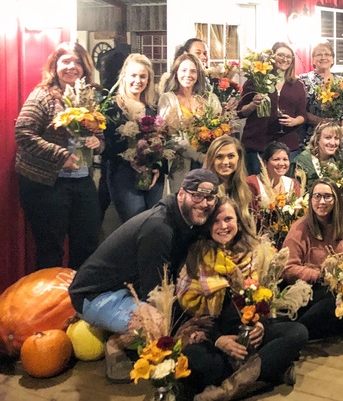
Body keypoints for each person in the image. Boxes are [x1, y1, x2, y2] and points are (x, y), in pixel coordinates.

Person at [177, 198, 308, 399]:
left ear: (238, 223)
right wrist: (219, 340)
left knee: (297, 332)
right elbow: (190, 315)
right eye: (215, 221)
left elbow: (263, 300)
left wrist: (261, 326)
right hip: (216, 340)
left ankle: (229, 390)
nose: (223, 226)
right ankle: (268, 375)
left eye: (228, 219)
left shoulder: (252, 254)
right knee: (196, 362)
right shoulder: (198, 256)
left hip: (251, 335)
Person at [69, 169, 219, 335]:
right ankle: (116, 350)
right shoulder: (159, 229)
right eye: (197, 196)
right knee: (157, 325)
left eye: (210, 198)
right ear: (182, 194)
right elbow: (154, 293)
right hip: (96, 296)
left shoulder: (186, 222)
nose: (204, 204)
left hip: (129, 289)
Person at [15, 42, 104, 270]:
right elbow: (23, 134)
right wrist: (60, 156)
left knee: (87, 244)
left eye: (77, 62)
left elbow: (99, 136)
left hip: (82, 181)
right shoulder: (43, 95)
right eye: (65, 61)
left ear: (84, 67)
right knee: (50, 250)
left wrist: (98, 143)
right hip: (47, 184)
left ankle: (76, 300)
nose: (71, 67)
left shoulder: (89, 97)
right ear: (55, 66)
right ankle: (49, 302)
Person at [282, 179, 343, 339]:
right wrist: (318, 275)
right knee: (332, 299)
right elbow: (288, 268)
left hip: (342, 284)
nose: (321, 201)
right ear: (310, 200)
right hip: (311, 289)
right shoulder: (300, 228)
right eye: (317, 196)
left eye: (327, 196)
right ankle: (298, 333)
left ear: (336, 199)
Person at [101, 53, 165, 223]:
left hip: (153, 177)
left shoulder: (152, 107)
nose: (138, 80)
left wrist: (157, 165)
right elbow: (106, 146)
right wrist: (132, 159)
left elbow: (162, 142)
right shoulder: (112, 106)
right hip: (123, 174)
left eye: (143, 76)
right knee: (135, 225)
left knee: (154, 224)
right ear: (124, 77)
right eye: (133, 75)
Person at [238, 42, 307, 175]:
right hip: (257, 145)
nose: (284, 59)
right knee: (256, 189)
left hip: (287, 147)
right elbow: (240, 112)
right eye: (280, 55)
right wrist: (253, 105)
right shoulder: (255, 81)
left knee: (284, 189)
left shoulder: (297, 85)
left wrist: (294, 121)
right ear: (271, 58)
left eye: (288, 56)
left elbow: (302, 115)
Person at [159, 53, 222, 193]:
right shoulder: (168, 99)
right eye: (183, 70)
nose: (188, 75)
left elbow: (221, 128)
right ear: (176, 73)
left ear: (199, 74)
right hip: (182, 164)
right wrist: (198, 156)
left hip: (208, 164)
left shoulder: (209, 99)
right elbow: (169, 139)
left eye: (193, 71)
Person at [299, 42, 343, 145]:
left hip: (336, 137)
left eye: (327, 54)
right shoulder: (303, 80)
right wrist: (321, 121)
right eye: (319, 55)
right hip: (312, 136)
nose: (323, 57)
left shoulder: (341, 82)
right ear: (313, 59)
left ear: (332, 59)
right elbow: (300, 110)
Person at [203, 136, 255, 229]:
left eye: (231, 156)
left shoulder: (246, 188)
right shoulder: (204, 191)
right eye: (219, 157)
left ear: (239, 159)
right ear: (211, 160)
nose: (225, 162)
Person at [247, 141, 301, 207]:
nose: (281, 163)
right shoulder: (252, 183)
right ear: (265, 163)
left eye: (285, 159)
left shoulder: (292, 184)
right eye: (276, 159)